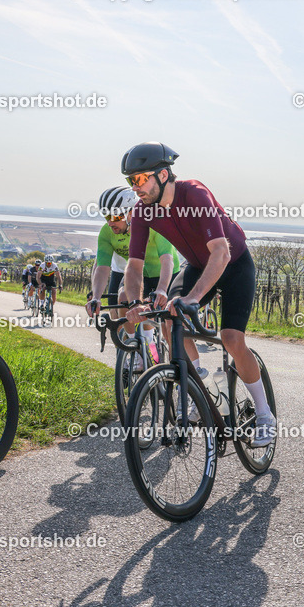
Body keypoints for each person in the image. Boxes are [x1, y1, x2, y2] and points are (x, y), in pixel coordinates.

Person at [120, 142, 276, 447]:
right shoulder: (141, 211)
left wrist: (193, 298)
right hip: (196, 266)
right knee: (169, 318)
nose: (135, 187)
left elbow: (221, 252)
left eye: (139, 179)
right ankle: (199, 388)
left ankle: (264, 415)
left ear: (163, 174)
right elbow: (134, 265)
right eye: (130, 180)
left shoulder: (194, 194)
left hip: (233, 264)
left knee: (231, 338)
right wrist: (135, 302)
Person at [85, 186, 180, 363]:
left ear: (131, 214)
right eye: (106, 217)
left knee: (169, 328)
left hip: (166, 274)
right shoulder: (107, 233)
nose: (110, 223)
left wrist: (162, 289)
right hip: (139, 275)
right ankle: (136, 347)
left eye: (115, 217)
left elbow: (167, 261)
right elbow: (102, 267)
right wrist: (96, 297)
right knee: (123, 297)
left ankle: (176, 370)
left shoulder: (154, 224)